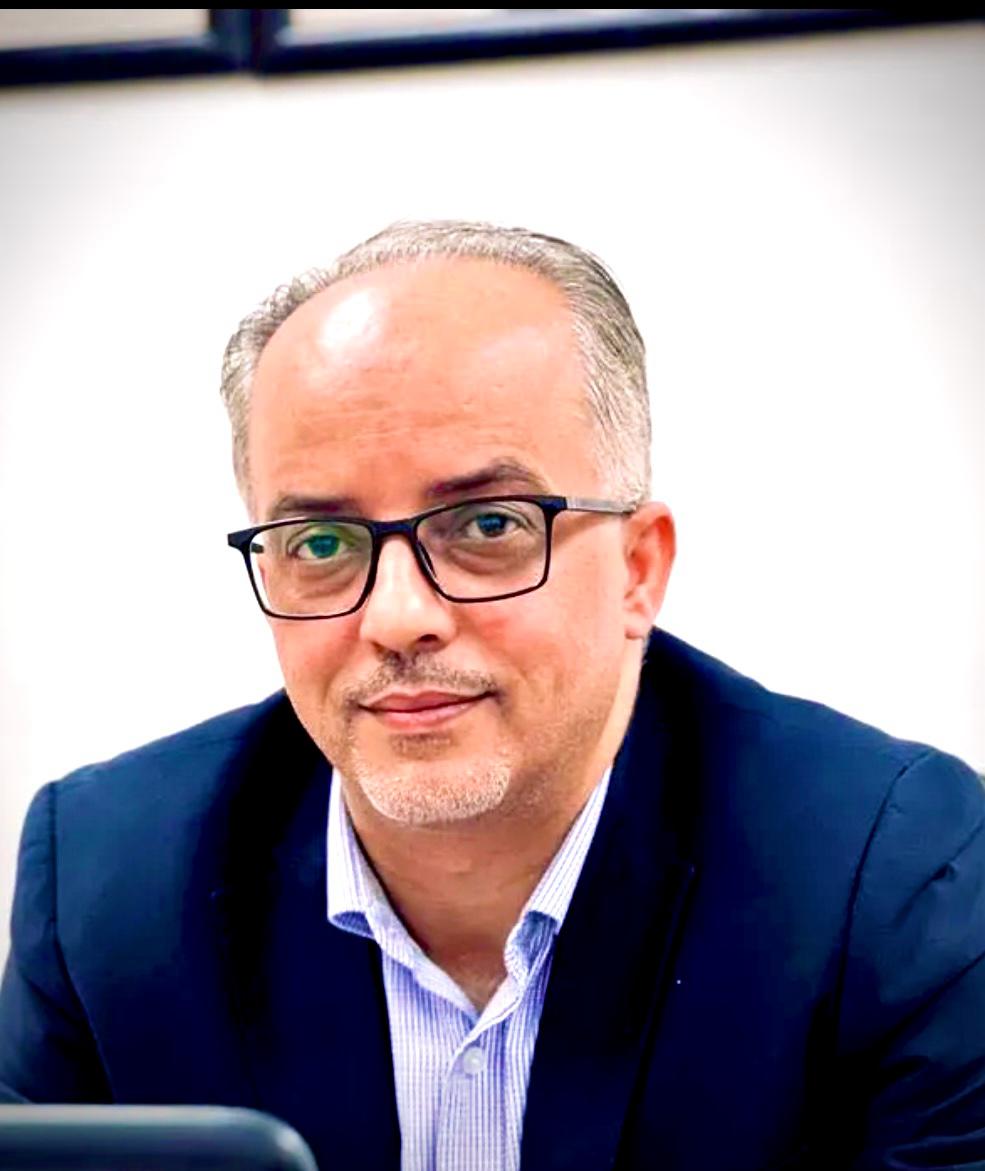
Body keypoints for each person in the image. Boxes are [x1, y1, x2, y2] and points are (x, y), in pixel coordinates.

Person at [1, 220, 984, 1171]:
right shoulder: (107, 882)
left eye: (485, 525)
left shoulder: (889, 875)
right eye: (321, 543)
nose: (396, 617)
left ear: (638, 568)